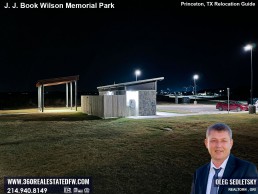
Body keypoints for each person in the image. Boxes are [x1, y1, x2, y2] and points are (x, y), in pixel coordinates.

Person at [190, 123, 258, 194]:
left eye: (224, 141)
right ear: (206, 143)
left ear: (231, 143)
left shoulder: (246, 170)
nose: (219, 145)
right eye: (214, 140)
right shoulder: (199, 173)